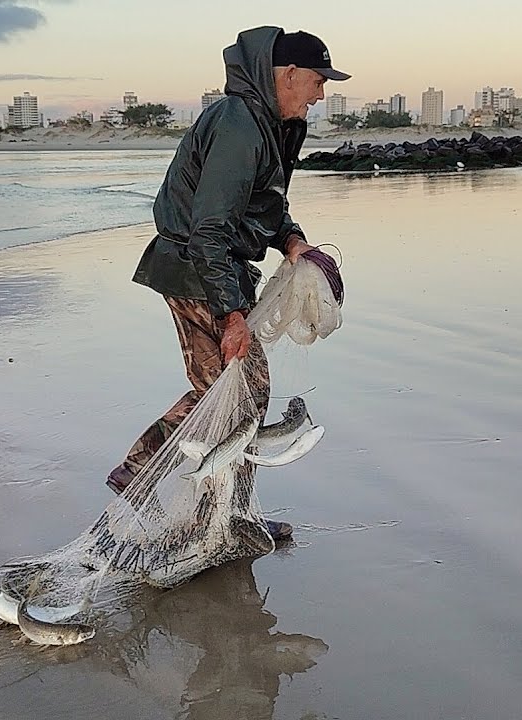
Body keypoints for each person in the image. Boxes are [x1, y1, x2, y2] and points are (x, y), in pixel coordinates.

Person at [105, 26, 350, 544]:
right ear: (286, 76)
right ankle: (156, 477)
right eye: (316, 80)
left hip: (214, 268)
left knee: (235, 395)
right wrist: (233, 315)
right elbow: (210, 228)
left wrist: (293, 243)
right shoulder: (239, 124)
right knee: (236, 391)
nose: (321, 93)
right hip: (197, 268)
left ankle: (224, 513)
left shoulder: (270, 124)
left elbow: (266, 205)